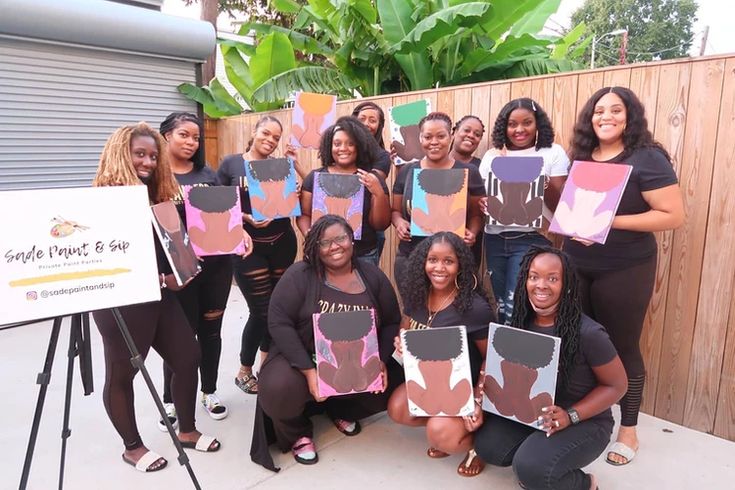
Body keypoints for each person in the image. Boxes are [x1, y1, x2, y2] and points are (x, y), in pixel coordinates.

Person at [564, 87, 684, 466]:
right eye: (599, 110)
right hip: (575, 264)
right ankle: (583, 415)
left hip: (625, 267)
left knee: (622, 347)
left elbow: (672, 215)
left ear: (630, 115)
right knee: (575, 341)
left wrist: (608, 221)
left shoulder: (647, 158)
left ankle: (628, 429)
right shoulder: (582, 157)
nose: (606, 116)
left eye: (616, 110)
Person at [92, 123, 221, 473]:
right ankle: (132, 447)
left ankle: (188, 431)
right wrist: (163, 277)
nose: (147, 161)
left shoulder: (158, 195)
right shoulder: (103, 200)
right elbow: (104, 260)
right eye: (139, 154)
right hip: (121, 301)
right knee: (123, 374)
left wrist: (183, 266)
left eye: (152, 155)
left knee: (188, 356)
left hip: (159, 293)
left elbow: (170, 244)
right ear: (121, 155)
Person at [250, 215, 402, 471]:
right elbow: (278, 322)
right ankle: (297, 432)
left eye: (340, 238)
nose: (334, 246)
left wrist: (382, 361)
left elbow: (390, 322)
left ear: (352, 240)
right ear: (314, 248)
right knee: (277, 388)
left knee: (397, 381)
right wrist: (309, 372)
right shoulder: (299, 275)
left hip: (355, 359)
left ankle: (342, 409)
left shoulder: (372, 275)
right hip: (301, 357)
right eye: (325, 242)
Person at [474, 246, 628, 490]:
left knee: (530, 470)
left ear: (566, 284)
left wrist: (571, 416)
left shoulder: (589, 333)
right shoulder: (520, 323)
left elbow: (618, 386)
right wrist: (482, 397)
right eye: (533, 276)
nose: (541, 285)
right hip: (536, 415)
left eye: (552, 278)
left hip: (584, 421)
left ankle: (584, 483)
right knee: (488, 445)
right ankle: (538, 455)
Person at [155, 112, 243, 428]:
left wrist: (240, 231)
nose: (191, 142)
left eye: (195, 137)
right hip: (177, 272)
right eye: (184, 135)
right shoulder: (154, 176)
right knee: (178, 337)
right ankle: (171, 400)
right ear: (166, 135)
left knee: (211, 331)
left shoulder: (208, 174)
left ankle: (209, 391)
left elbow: (226, 216)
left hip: (216, 268)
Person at [388, 232, 495, 477]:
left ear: (460, 266)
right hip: (432, 381)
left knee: (439, 432)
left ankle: (477, 446)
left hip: (463, 387)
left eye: (448, 261)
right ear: (423, 262)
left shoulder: (473, 307)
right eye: (433, 260)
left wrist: (478, 401)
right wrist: (401, 342)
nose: (439, 267)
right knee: (398, 409)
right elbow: (405, 328)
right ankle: (450, 428)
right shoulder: (416, 294)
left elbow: (492, 358)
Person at [217, 115, 301, 396]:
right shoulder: (231, 163)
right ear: (255, 131)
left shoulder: (281, 167)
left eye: (276, 137)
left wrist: (295, 190)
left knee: (276, 309)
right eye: (266, 133)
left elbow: (293, 202)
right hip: (248, 246)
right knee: (260, 311)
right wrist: (244, 218)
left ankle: (267, 363)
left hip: (282, 242)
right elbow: (217, 206)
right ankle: (244, 369)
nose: (270, 140)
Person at [479, 98, 569, 324]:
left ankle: (522, 354)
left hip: (533, 238)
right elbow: (484, 199)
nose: (519, 129)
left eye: (527, 122)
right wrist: (482, 204)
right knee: (502, 303)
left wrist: (543, 182)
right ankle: (503, 356)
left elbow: (563, 206)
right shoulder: (493, 156)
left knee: (519, 301)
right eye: (512, 124)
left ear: (538, 123)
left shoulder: (552, 153)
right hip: (496, 238)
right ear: (504, 127)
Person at [391, 112, 485, 297]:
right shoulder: (408, 171)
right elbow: (395, 210)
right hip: (412, 255)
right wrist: (399, 223)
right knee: (415, 313)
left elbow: (476, 215)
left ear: (450, 136)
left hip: (452, 261)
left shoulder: (469, 172)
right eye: (428, 137)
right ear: (420, 138)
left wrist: (472, 232)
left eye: (441, 136)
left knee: (449, 314)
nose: (434, 142)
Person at [297, 116, 391, 265]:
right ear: (329, 146)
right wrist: (309, 233)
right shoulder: (313, 177)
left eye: (350, 144)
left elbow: (380, 224)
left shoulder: (370, 179)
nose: (343, 148)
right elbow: (304, 214)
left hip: (363, 255)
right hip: (324, 253)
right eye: (337, 143)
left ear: (359, 146)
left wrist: (378, 193)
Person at [353, 101, 391, 261]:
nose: (366, 124)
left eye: (372, 120)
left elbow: (373, 183)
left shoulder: (382, 156)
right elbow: (322, 181)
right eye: (362, 118)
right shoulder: (340, 150)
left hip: (369, 229)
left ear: (379, 126)